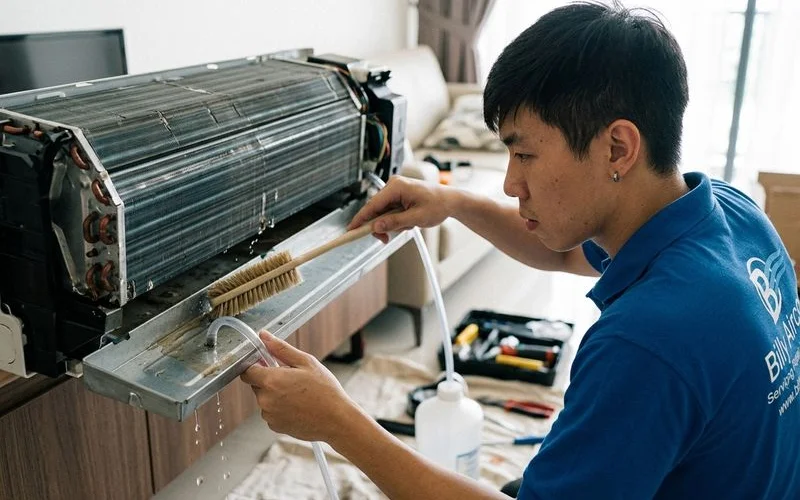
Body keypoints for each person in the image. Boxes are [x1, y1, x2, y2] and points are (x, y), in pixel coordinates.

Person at [241, 1, 800, 498]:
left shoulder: (647, 343)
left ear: (618, 147)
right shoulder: (729, 210)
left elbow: (650, 349)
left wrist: (341, 423)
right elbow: (560, 254)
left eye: (525, 155)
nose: (510, 184)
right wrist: (452, 203)